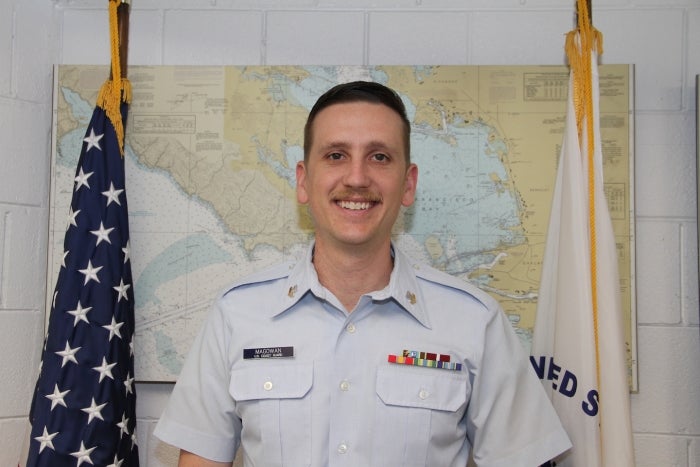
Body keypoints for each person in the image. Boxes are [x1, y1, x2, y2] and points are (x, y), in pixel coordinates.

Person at [154, 81, 571, 467]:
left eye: (379, 157)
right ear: (304, 181)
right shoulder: (238, 315)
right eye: (336, 155)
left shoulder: (474, 322)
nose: (356, 178)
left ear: (408, 185)